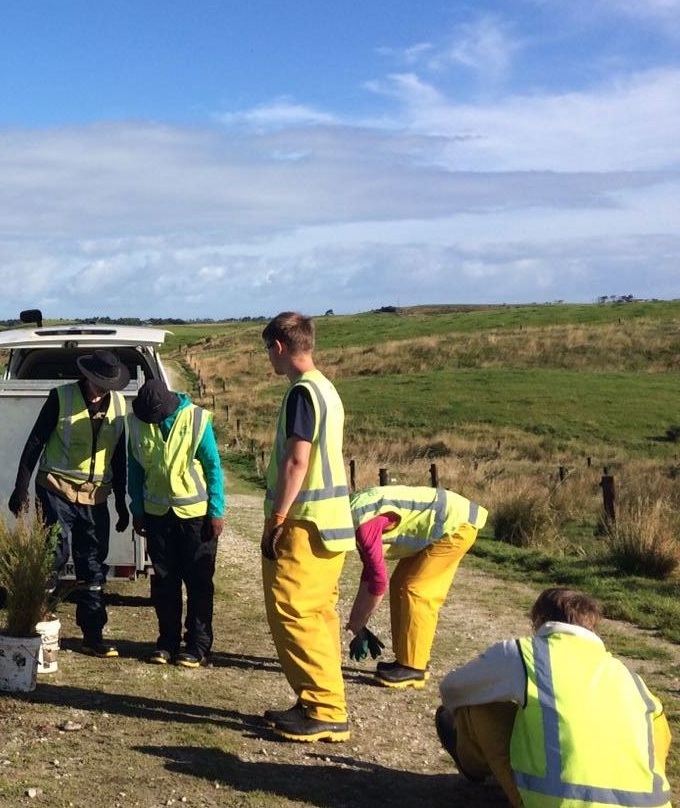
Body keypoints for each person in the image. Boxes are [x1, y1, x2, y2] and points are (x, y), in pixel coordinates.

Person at [437, 587, 671, 807]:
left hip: (558, 801)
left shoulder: (524, 653)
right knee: (653, 722)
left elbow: (452, 688)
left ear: (538, 621)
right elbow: (662, 734)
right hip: (652, 803)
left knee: (482, 701)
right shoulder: (628, 676)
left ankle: (475, 768)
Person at [258, 311, 356, 743]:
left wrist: (276, 520)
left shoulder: (301, 393)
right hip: (333, 525)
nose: (269, 360)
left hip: (304, 524)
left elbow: (298, 461)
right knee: (319, 616)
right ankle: (317, 699)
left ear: (279, 346)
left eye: (268, 351)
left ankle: (325, 707)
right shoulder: (326, 389)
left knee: (294, 613)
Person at [9, 350, 131, 657]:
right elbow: (35, 442)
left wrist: (121, 501)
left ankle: (93, 636)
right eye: (99, 383)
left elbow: (118, 454)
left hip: (95, 496)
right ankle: (39, 627)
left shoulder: (118, 405)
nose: (102, 390)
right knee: (54, 556)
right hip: (55, 490)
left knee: (93, 566)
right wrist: (20, 488)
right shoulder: (61, 398)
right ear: (88, 377)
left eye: (108, 385)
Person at [343, 485, 488, 689]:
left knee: (416, 590)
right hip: (448, 521)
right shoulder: (352, 511)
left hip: (457, 525)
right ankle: (407, 659)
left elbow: (377, 581)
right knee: (400, 584)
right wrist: (357, 623)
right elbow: (370, 573)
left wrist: (359, 622)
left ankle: (414, 668)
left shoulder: (363, 527)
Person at [126, 375, 225, 668]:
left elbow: (213, 467)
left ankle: (197, 645)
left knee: (199, 582)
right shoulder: (136, 423)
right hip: (158, 517)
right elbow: (135, 469)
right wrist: (138, 509)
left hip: (196, 517)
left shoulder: (196, 420)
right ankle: (166, 643)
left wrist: (216, 510)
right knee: (164, 582)